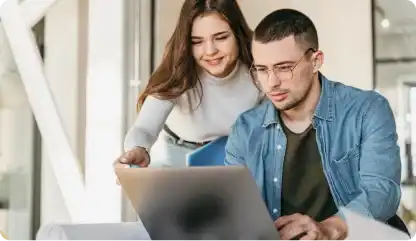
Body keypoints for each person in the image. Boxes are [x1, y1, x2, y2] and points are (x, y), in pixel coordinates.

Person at [225, 8, 402, 241]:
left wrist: (329, 229)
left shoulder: (367, 109)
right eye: (262, 69)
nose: (271, 82)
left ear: (316, 61)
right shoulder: (245, 129)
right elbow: (233, 207)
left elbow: (382, 191)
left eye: (284, 67)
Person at [115, 0, 262, 168]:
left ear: (237, 34)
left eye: (221, 38)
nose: (210, 51)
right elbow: (144, 128)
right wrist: (137, 149)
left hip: (237, 157)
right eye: (197, 42)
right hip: (176, 157)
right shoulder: (178, 72)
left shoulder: (261, 71)